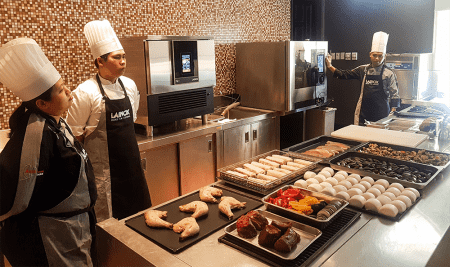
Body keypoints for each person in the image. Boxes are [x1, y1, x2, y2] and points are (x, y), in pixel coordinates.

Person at [0, 38, 97, 266]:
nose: (69, 92)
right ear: (42, 104)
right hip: (53, 237)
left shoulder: (56, 123)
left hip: (73, 229)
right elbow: (16, 194)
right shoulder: (35, 134)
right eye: (61, 90)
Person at [67, 20, 151, 222]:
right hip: (103, 176)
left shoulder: (129, 86)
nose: (123, 61)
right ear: (100, 61)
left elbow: (131, 120)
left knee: (139, 219)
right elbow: (74, 138)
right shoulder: (85, 92)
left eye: (124, 57)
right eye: (117, 57)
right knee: (109, 226)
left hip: (132, 169)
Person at [326, 31, 400, 125]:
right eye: (374, 55)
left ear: (384, 56)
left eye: (380, 56)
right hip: (364, 113)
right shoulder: (363, 69)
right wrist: (329, 66)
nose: (377, 58)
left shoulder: (389, 73)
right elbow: (344, 74)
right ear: (370, 54)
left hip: (382, 113)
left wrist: (392, 113)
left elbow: (395, 94)